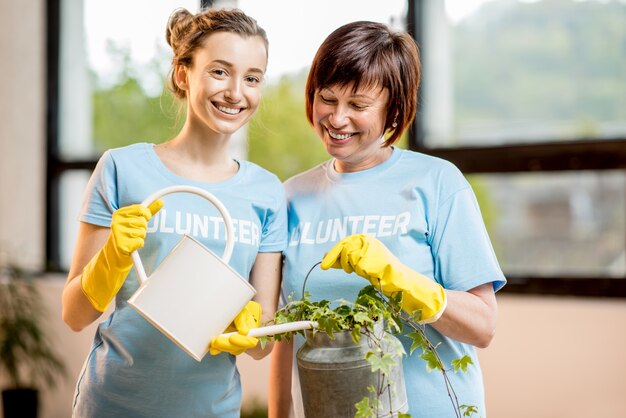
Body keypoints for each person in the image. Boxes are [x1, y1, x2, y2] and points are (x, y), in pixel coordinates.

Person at [268, 20, 506, 418]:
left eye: (358, 106)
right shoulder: (292, 196)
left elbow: (482, 327)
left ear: (393, 109)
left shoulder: (437, 182)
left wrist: (405, 282)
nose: (337, 118)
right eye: (327, 98)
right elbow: (286, 331)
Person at [61, 7, 286, 418]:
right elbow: (75, 314)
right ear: (183, 74)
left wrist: (249, 327)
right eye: (220, 72)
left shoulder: (267, 192)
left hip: (212, 409)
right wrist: (110, 258)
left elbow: (262, 343)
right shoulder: (121, 168)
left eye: (252, 78)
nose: (237, 92)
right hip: (113, 403)